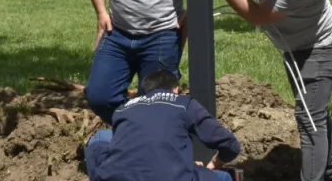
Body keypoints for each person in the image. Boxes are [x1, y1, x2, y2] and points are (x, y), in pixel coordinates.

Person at [191, 0, 332, 181]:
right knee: (314, 114)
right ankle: (331, 174)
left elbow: (257, 16)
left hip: (319, 50)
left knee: (309, 119)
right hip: (297, 48)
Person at [85, 69, 241, 181]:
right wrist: (214, 164)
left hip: (116, 177)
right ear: (176, 89)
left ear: (145, 90)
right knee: (224, 177)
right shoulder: (183, 104)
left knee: (101, 137)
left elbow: (131, 147)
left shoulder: (123, 109)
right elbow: (230, 145)